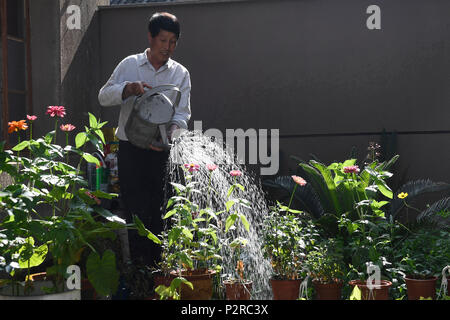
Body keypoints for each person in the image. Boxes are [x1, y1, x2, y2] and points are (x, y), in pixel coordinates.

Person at [98, 12, 192, 268]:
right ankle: (141, 274)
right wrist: (128, 89)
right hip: (131, 151)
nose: (167, 47)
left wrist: (170, 135)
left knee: (163, 213)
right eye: (163, 40)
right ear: (150, 37)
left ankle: (162, 271)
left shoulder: (180, 74)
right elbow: (103, 96)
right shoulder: (130, 65)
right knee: (136, 212)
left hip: (162, 153)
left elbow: (182, 114)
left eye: (173, 41)